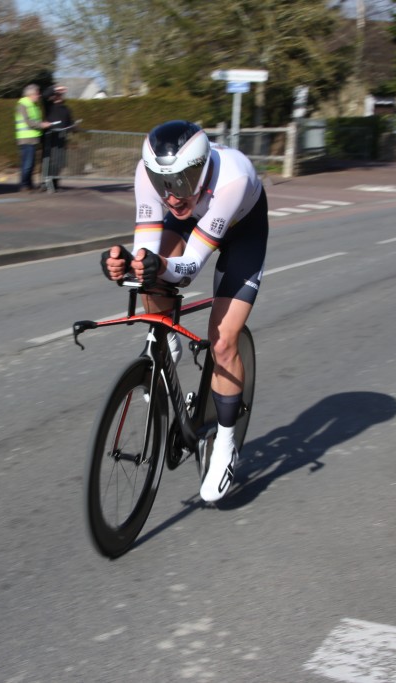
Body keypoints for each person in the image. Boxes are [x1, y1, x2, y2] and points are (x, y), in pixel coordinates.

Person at [100, 120, 268, 503]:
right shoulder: (147, 175)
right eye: (163, 184)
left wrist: (158, 266)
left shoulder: (233, 179)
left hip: (243, 229)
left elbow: (190, 266)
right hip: (193, 223)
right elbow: (147, 250)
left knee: (223, 341)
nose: (173, 196)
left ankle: (225, 446)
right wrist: (128, 264)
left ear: (203, 168)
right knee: (149, 271)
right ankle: (166, 347)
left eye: (183, 181)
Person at [15, 84, 52, 192]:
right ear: (31, 94)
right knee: (27, 164)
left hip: (32, 138)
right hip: (25, 138)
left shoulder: (33, 105)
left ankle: (28, 184)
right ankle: (24, 184)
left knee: (30, 164)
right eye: (37, 94)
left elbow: (34, 120)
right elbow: (28, 122)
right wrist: (41, 125)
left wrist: (41, 123)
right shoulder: (23, 105)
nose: (39, 96)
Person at [40, 85, 75, 191]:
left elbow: (69, 122)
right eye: (58, 95)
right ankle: (45, 183)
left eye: (61, 95)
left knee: (59, 162)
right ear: (54, 96)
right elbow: (44, 95)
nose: (60, 96)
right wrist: (55, 89)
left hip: (61, 138)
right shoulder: (49, 106)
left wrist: (73, 127)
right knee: (48, 161)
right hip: (49, 137)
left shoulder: (66, 109)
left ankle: (55, 183)